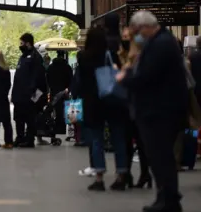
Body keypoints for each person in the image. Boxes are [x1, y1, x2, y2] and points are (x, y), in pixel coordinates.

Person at [117, 11, 187, 212]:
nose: (137, 36)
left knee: (161, 157)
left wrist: (125, 78)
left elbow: (146, 76)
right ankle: (165, 196)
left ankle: (168, 199)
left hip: (160, 112)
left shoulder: (160, 44)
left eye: (137, 31)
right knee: (159, 157)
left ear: (145, 27)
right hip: (159, 110)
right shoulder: (160, 42)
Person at [77, 25, 129, 192]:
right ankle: (121, 175)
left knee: (96, 140)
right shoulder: (112, 55)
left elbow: (81, 81)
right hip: (113, 100)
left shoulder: (83, 57)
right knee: (118, 138)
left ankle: (99, 178)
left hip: (93, 103)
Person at [118, 26, 151, 189]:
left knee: (138, 141)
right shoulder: (124, 54)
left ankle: (141, 174)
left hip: (137, 104)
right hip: (128, 105)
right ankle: (135, 174)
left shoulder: (138, 56)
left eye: (127, 37)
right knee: (131, 141)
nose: (125, 40)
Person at [11, 32, 47, 148]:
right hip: (19, 95)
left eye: (21, 43)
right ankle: (20, 137)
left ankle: (29, 139)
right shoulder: (22, 57)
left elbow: (38, 78)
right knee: (18, 118)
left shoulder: (35, 58)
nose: (20, 45)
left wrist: (33, 95)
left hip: (29, 96)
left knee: (29, 118)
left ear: (28, 43)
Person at [47, 50, 73, 136]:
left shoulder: (51, 67)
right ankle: (62, 128)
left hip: (53, 91)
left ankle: (54, 127)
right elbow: (71, 80)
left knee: (53, 109)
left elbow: (47, 79)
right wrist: (68, 89)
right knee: (63, 110)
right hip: (64, 91)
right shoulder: (67, 67)